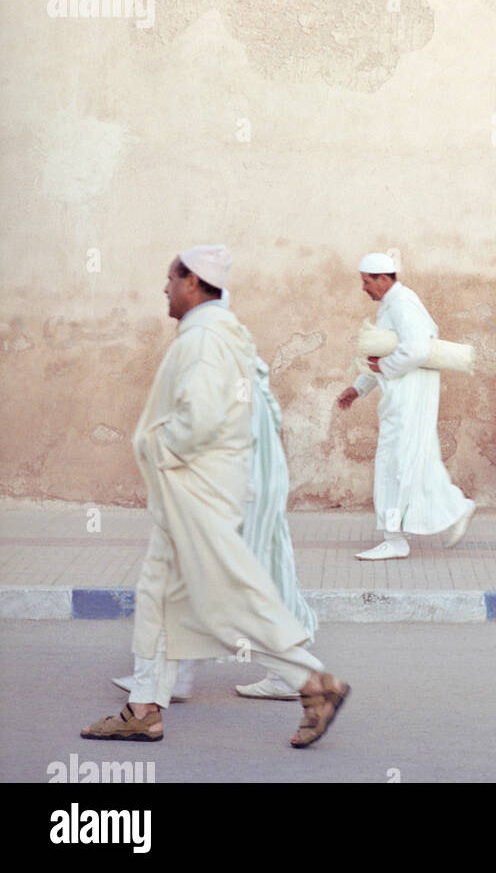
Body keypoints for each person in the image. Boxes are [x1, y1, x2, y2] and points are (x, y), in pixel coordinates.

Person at [81, 246, 349, 747]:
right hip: (194, 488)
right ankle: (144, 707)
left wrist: (156, 445)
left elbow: (199, 419)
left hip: (195, 488)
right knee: (163, 594)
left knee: (222, 594)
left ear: (191, 283)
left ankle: (314, 681)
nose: (163, 288)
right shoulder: (221, 332)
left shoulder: (204, 338)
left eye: (169, 279)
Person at [110, 354, 318, 702]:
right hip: (259, 488)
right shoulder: (248, 371)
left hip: (238, 494)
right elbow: (269, 428)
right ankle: (174, 676)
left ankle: (304, 678)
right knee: (252, 579)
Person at [336, 253, 474, 560]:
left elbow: (416, 349)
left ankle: (396, 539)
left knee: (395, 465)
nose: (363, 288)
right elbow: (384, 354)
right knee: (413, 464)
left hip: (408, 401)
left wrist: (384, 367)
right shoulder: (394, 304)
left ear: (383, 280)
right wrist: (358, 388)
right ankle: (454, 508)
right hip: (402, 399)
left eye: (366, 281)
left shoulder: (401, 304)